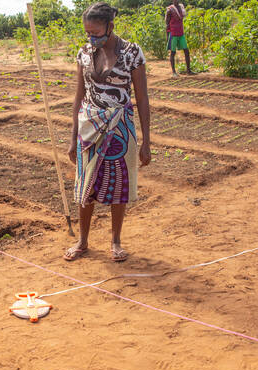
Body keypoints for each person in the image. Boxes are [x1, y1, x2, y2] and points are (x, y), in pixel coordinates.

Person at [65, 2, 151, 262]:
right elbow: (79, 96)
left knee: (119, 184)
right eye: (88, 33)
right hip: (89, 126)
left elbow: (142, 98)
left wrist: (146, 140)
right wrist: (72, 138)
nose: (92, 38)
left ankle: (115, 241)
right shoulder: (83, 53)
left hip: (120, 127)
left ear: (110, 27)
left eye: (96, 33)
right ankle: (83, 241)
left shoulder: (133, 53)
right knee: (85, 186)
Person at [165, 0, 192, 76]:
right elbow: (167, 23)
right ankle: (174, 72)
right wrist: (167, 36)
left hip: (181, 33)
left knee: (186, 51)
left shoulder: (181, 7)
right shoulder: (170, 10)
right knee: (173, 52)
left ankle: (188, 71)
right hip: (173, 33)